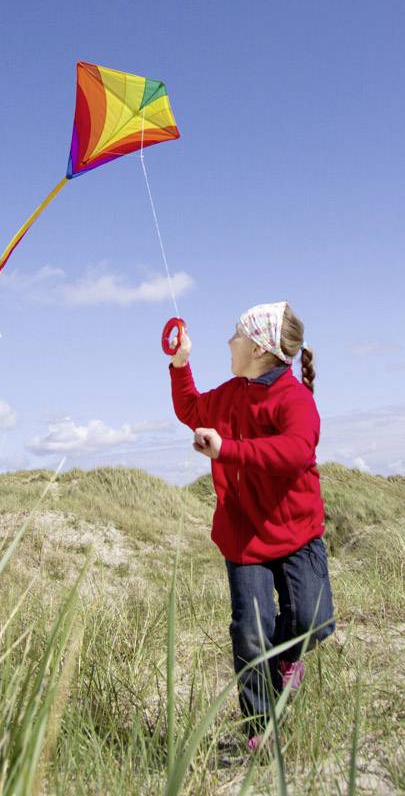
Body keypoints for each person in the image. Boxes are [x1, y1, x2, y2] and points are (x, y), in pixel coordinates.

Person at [168, 301, 336, 751]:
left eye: (237, 335)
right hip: (243, 536)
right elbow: (191, 409)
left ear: (261, 348)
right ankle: (261, 729)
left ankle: (286, 660)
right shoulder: (229, 393)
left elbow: (296, 453)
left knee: (314, 622)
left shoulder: (295, 399)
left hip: (297, 531)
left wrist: (228, 451)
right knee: (249, 632)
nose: (229, 342)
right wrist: (180, 365)